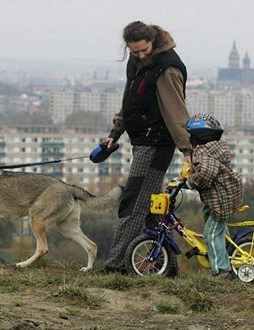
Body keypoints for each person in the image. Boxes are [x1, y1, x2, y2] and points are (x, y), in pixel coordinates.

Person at [103, 21, 192, 273]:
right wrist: (116, 131)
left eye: (144, 50)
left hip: (157, 144)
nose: (141, 56)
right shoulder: (137, 62)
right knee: (154, 207)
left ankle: (116, 266)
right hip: (141, 139)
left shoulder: (167, 69)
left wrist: (187, 151)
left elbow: (177, 113)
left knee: (133, 201)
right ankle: (168, 269)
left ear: (153, 41)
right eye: (135, 52)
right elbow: (129, 98)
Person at [184, 113, 244, 279]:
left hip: (221, 200)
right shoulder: (213, 151)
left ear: (199, 136)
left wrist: (190, 182)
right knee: (210, 218)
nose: (190, 139)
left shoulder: (203, 154)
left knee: (210, 233)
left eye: (191, 136)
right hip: (222, 197)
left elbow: (205, 175)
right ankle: (224, 249)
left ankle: (221, 271)